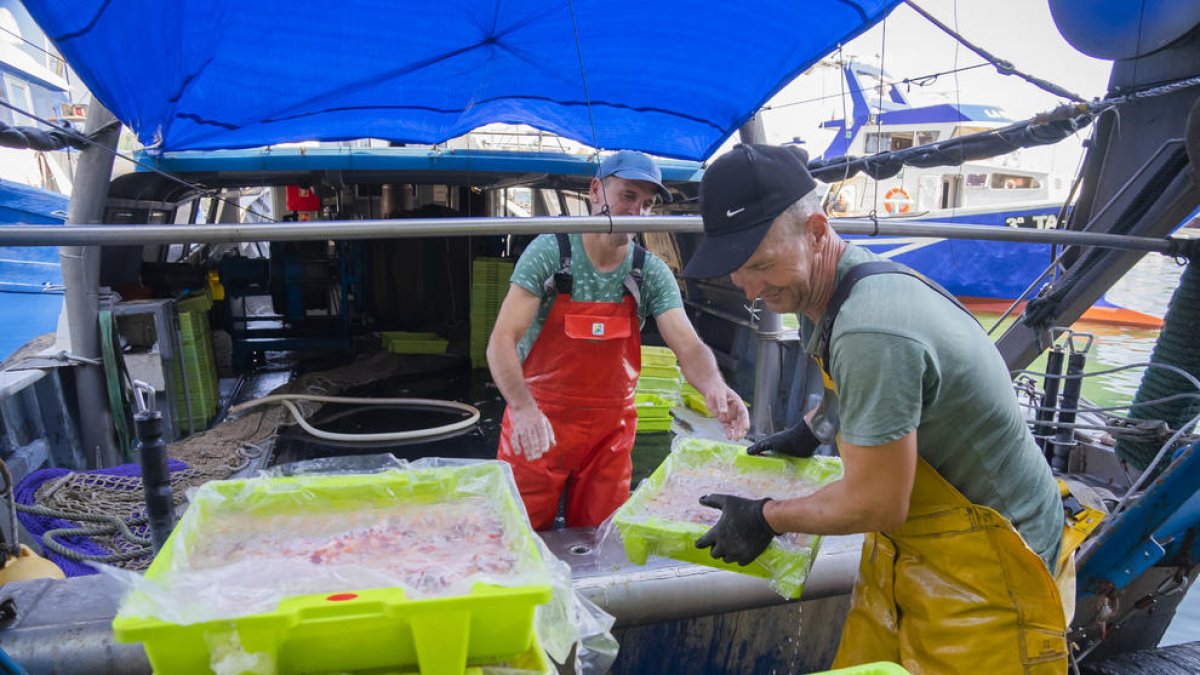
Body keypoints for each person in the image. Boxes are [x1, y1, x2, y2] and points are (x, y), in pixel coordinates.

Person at [684, 144, 1071, 673]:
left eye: (762, 264)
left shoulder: (871, 327)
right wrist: (812, 430)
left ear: (817, 231)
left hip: (994, 565)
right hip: (916, 544)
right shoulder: (824, 291)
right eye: (736, 269)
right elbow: (854, 388)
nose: (750, 288)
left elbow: (877, 502)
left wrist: (764, 517)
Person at [488, 150, 749, 531]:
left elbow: (689, 346)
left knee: (600, 537)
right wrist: (523, 408)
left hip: (608, 436)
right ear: (596, 190)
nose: (636, 212)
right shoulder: (552, 252)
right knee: (520, 534)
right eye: (628, 196)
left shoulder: (649, 272)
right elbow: (501, 341)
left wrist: (715, 387)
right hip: (539, 422)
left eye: (647, 203)